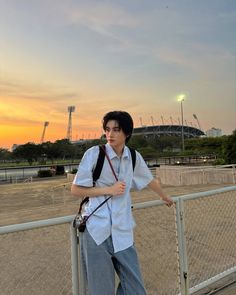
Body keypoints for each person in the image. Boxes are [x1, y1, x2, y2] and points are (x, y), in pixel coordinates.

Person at [71, 111, 173, 295]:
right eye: (107, 130)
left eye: (116, 130)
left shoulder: (133, 157)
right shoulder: (94, 154)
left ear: (127, 133)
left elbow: (149, 180)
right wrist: (108, 190)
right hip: (96, 230)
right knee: (101, 290)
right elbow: (76, 190)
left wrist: (164, 196)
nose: (110, 134)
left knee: (135, 289)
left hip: (123, 230)